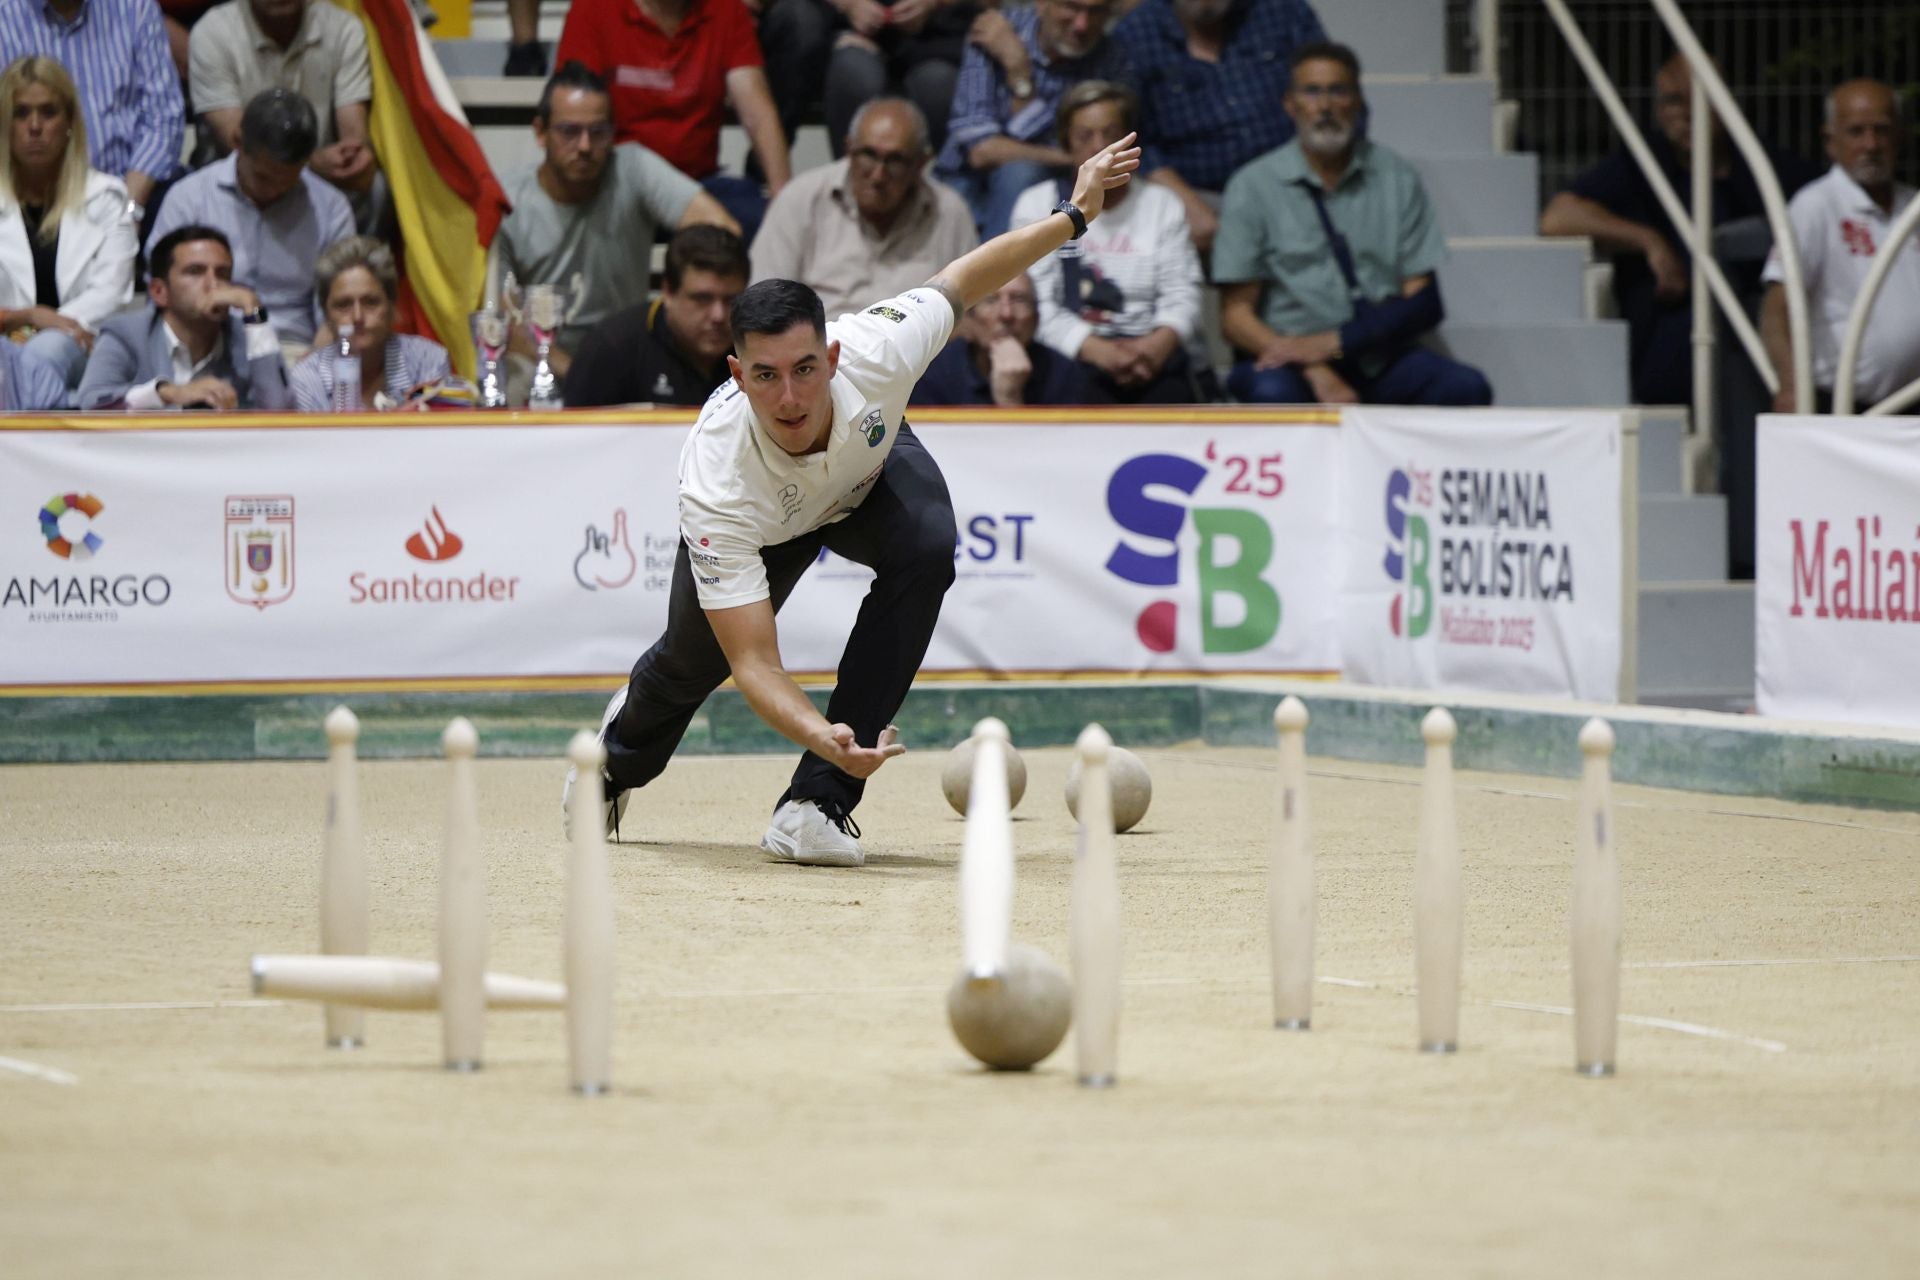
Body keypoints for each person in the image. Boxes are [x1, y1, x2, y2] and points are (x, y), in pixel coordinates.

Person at [561, 132, 1142, 866]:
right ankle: (614, 758)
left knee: (928, 547)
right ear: (738, 376)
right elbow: (757, 665)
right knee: (690, 664)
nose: (792, 396)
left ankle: (816, 805)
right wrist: (814, 726)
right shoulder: (715, 477)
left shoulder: (877, 348)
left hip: (867, 474)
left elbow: (968, 277)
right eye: (767, 376)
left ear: (833, 356)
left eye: (806, 368)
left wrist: (1074, 216)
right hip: (769, 523)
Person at [1214, 43, 1490, 407]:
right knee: (1273, 394)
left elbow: (1424, 302)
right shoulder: (1253, 185)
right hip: (1287, 360)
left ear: (1358, 102)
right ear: (1290, 105)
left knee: (1465, 387)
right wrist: (1311, 363)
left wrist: (1336, 343)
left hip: (1379, 355)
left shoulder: (1396, 177)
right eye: (1311, 92)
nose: (1325, 106)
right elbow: (1235, 317)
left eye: (1337, 91)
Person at [1541, 53, 1815, 406]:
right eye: (1673, 100)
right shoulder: (1645, 164)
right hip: (1666, 356)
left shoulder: (1763, 166)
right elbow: (1556, 219)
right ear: (1658, 110)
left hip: (1753, 349)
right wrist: (1647, 239)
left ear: (1725, 104)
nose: (1687, 113)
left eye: (1700, 99)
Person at [492, 62, 738, 378]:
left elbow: (722, 230)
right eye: (569, 131)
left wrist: (675, 294)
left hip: (629, 353)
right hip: (543, 361)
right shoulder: (508, 201)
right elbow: (502, 316)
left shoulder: (633, 168)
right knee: (510, 374)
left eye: (598, 132)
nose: (584, 146)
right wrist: (577, 374)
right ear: (540, 132)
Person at [1011, 81, 1201, 403]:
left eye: (1111, 135)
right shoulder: (1036, 204)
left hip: (1151, 354)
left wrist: (1155, 347)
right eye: (1085, 136)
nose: (1100, 148)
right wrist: (1095, 349)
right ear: (1067, 142)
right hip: (1071, 355)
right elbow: (1034, 303)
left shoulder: (1161, 204)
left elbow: (1183, 292)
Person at [553, 0, 791, 242]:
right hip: (614, 187)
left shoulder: (725, 9)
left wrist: (784, 201)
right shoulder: (593, 8)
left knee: (768, 223)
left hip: (698, 185)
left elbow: (758, 114)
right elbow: (573, 108)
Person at [147, 88, 354, 353]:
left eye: (288, 181)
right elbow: (162, 292)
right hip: (208, 348)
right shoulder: (189, 198)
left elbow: (339, 307)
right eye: (264, 177)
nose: (275, 190)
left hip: (295, 351)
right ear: (238, 142)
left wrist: (319, 362)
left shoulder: (331, 208)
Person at [1113, 0, 1325, 254]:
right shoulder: (1135, 33)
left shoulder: (1283, 12)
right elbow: (1131, 137)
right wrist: (1185, 203)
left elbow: (1332, 90)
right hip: (1197, 195)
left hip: (1295, 183)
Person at [1761, 78, 1920, 415]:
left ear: (1900, 137)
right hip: (1843, 409)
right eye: (1856, 132)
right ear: (1830, 141)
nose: (1871, 144)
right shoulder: (1815, 206)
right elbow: (1778, 308)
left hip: (1910, 408)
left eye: (1882, 130)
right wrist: (1791, 386)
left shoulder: (1913, 207)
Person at [751, 97, 977, 318]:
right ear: (849, 149)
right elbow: (763, 304)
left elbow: (976, 313)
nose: (878, 176)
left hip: (924, 352)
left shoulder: (948, 212)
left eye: (895, 160)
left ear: (920, 163)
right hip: (824, 349)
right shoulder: (800, 199)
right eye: (868, 155)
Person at [0, 55, 135, 393]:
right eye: (20, 113)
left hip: (83, 343)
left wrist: (41, 330)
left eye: (48, 112)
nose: (35, 126)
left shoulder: (108, 197)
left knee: (46, 351)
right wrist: (30, 317)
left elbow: (112, 294)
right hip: (3, 341)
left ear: (70, 122)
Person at [936, 0, 1127, 237]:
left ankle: (1000, 272)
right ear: (1042, 4)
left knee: (1021, 174)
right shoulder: (996, 30)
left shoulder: (1113, 58)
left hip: (1047, 182)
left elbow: (1094, 150)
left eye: (1095, 11)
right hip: (966, 176)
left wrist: (1020, 75)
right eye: (1071, 8)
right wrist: (1068, 157)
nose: (1081, 25)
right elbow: (980, 149)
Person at [0, 0, 183, 231]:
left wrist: (128, 209)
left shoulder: (136, 9)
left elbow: (164, 117)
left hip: (131, 191)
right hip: (28, 199)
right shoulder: (4, 17)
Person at [76, 222, 289, 409]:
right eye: (195, 272)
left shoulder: (247, 337)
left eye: (222, 274)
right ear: (159, 292)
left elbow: (278, 409)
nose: (213, 284)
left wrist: (254, 310)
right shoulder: (126, 334)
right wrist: (168, 393)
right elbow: (91, 401)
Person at [187, 0, 376, 203]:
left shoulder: (344, 29)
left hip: (321, 183)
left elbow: (354, 137)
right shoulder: (212, 33)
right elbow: (237, 141)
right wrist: (310, 164)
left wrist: (353, 158)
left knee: (376, 188)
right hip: (247, 177)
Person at [564, 224, 748, 407]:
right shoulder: (611, 348)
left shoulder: (757, 346)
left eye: (731, 300)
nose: (719, 315)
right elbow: (573, 433)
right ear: (668, 292)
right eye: (702, 299)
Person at [288, 235, 449, 411]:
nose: (357, 317)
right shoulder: (308, 379)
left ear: (391, 307)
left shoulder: (427, 361)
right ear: (327, 316)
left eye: (371, 302)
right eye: (343, 305)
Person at [820, 0, 977, 159]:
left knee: (938, 84)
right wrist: (850, 4)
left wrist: (932, 3)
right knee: (853, 73)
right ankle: (852, 176)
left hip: (936, 39)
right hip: (853, 31)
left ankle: (949, 179)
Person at [910, 270, 1088, 406]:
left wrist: (1009, 398)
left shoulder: (1064, 374)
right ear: (969, 320)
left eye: (1019, 300)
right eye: (990, 300)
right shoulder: (933, 374)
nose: (1006, 314)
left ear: (1036, 319)